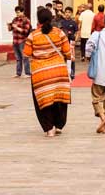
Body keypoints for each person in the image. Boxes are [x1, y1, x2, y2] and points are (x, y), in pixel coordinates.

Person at [24, 7, 71, 137]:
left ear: (38, 20)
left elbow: (27, 53)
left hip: (40, 74)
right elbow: (67, 52)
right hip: (59, 72)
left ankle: (49, 128)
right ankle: (59, 125)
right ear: (51, 18)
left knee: (44, 101)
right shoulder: (59, 33)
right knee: (59, 100)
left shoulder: (33, 35)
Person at [8, 6, 32, 78]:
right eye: (16, 12)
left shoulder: (26, 20)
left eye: (18, 12)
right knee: (18, 58)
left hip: (22, 41)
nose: (17, 14)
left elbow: (25, 31)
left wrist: (16, 27)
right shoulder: (15, 19)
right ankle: (18, 73)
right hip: (15, 41)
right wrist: (9, 26)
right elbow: (10, 29)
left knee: (25, 57)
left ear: (22, 12)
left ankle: (27, 73)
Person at [58, 7, 78, 79]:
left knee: (72, 58)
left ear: (71, 13)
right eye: (66, 12)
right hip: (62, 43)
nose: (67, 14)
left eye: (69, 12)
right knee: (63, 58)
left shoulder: (74, 23)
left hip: (71, 43)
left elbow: (76, 32)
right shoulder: (62, 22)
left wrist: (75, 40)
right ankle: (63, 73)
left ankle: (72, 73)